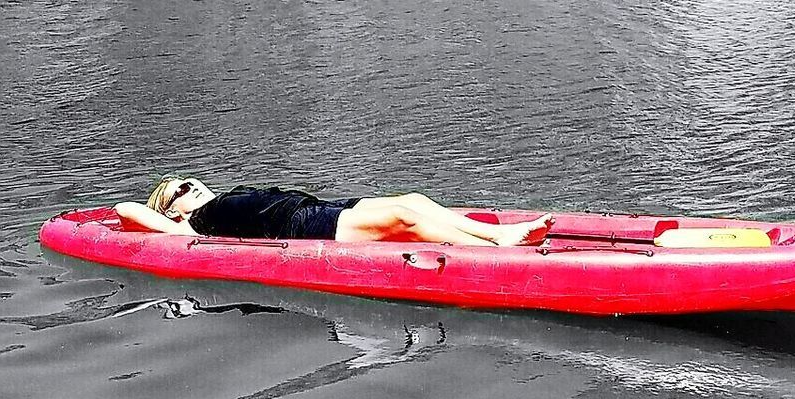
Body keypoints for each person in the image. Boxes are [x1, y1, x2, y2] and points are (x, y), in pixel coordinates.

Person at [115, 177, 554, 247]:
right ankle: (495, 245)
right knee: (405, 219)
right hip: (305, 226)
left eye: (192, 180)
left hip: (321, 206)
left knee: (414, 202)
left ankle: (495, 235)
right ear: (173, 212)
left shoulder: (218, 201)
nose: (194, 186)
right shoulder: (194, 223)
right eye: (182, 191)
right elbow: (125, 208)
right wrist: (165, 216)